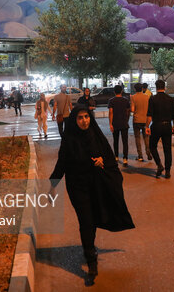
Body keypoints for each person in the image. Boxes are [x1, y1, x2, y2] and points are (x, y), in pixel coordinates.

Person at [50, 107, 135, 279]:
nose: (84, 121)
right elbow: (62, 163)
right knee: (86, 221)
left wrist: (102, 160)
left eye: (87, 117)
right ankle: (91, 261)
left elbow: (109, 157)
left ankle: (89, 247)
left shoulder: (96, 135)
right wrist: (52, 186)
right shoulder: (69, 139)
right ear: (75, 120)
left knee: (93, 219)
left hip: (96, 185)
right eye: (80, 118)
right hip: (77, 187)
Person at [145, 79, 174, 178]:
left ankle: (159, 165)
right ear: (164, 87)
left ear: (156, 87)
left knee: (152, 146)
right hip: (167, 126)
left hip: (156, 126)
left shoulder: (152, 99)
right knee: (167, 149)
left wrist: (147, 126)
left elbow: (149, 115)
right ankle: (168, 171)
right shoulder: (171, 99)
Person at [108, 85, 130, 165]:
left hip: (115, 123)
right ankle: (125, 158)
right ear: (121, 91)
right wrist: (126, 120)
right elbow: (128, 112)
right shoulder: (126, 100)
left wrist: (110, 124)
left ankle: (116, 156)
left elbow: (111, 112)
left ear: (114, 91)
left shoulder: (111, 101)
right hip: (124, 123)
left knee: (115, 140)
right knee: (125, 142)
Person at [130, 83, 151, 162]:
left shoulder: (133, 97)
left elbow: (132, 109)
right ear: (142, 88)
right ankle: (148, 153)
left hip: (136, 120)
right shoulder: (147, 97)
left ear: (135, 89)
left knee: (137, 138)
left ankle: (140, 156)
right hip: (145, 120)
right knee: (146, 137)